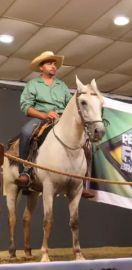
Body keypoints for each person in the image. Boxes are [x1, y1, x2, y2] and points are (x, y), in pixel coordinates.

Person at [15, 51, 94, 199]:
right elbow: (26, 107)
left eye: (54, 64)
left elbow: (70, 105)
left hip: (61, 120)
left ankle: (82, 182)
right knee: (25, 132)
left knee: (86, 142)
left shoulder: (61, 85)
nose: (53, 66)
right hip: (41, 119)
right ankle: (25, 172)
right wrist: (45, 115)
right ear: (41, 67)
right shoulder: (33, 84)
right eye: (49, 63)